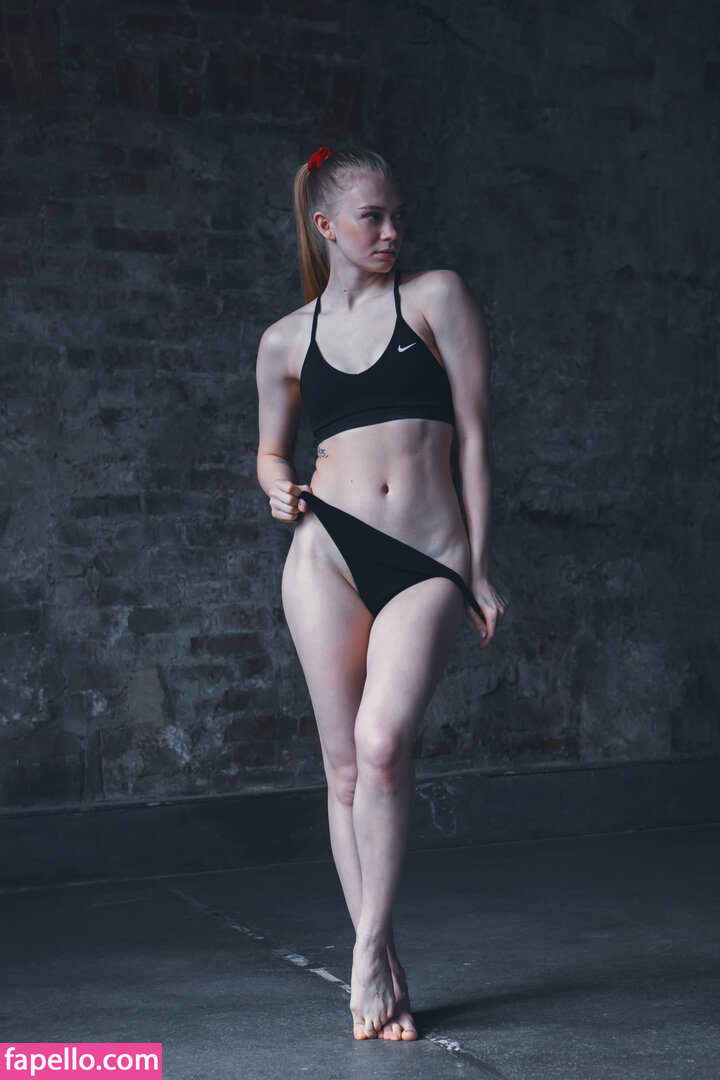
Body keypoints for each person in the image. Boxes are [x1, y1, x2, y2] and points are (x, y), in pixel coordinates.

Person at [255, 145, 509, 1042]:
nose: (393, 230)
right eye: (374, 217)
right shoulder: (286, 340)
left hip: (427, 556)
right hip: (325, 553)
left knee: (384, 744)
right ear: (326, 226)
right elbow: (270, 449)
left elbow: (475, 437)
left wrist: (477, 565)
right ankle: (382, 958)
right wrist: (274, 484)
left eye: (399, 214)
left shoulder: (436, 298)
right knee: (343, 767)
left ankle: (365, 950)